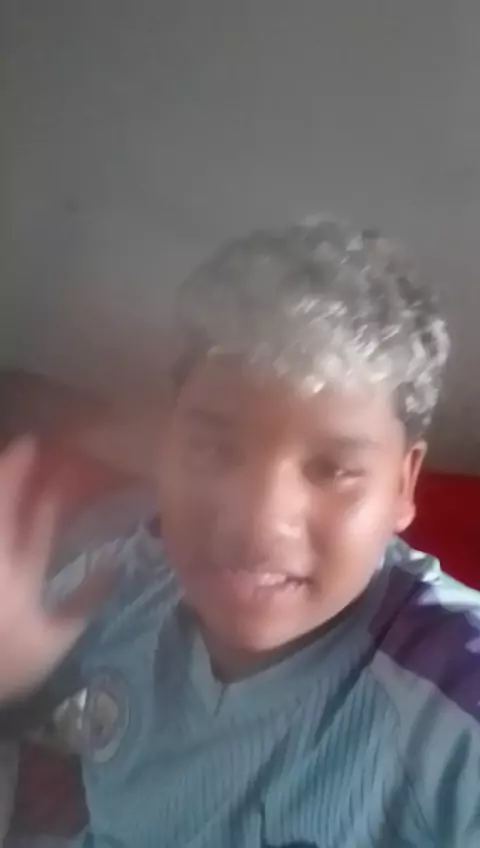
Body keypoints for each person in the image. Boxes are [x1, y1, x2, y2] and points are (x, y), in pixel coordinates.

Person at [1, 219, 479, 848]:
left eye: (331, 468)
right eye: (214, 449)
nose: (259, 520)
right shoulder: (124, 583)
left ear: (401, 484)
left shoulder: (452, 692)